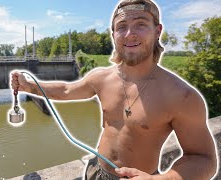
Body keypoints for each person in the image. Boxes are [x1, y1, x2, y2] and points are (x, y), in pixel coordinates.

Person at [11, 0, 217, 179]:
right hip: (96, 171)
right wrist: (29, 86)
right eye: (122, 26)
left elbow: (204, 160)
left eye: (141, 24)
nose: (129, 34)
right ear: (113, 34)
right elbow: (66, 89)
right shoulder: (101, 77)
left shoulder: (182, 96)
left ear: (158, 31)